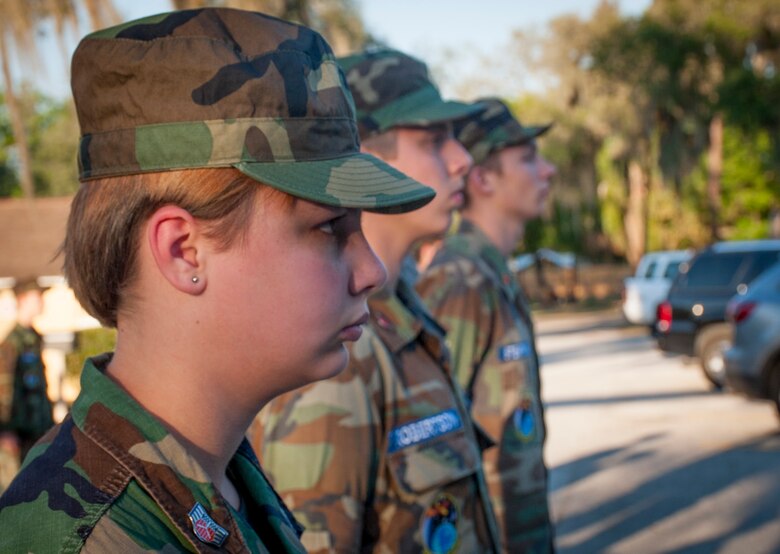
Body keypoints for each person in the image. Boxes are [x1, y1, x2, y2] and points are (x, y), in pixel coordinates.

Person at [0, 9, 435, 552]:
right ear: (185, 252)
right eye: (328, 228)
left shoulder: (220, 476)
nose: (372, 271)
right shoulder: (88, 538)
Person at [251, 49, 502, 553]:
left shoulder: (404, 310)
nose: (462, 159)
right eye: (434, 141)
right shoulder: (338, 349)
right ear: (364, 154)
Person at [417, 97, 557, 552]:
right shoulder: (460, 281)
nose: (547, 170)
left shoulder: (494, 274)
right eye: (528, 158)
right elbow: (438, 444)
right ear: (483, 179)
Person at [0, 280, 54, 484]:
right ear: (23, 300)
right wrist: (5, 429)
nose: (41, 301)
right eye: (36, 296)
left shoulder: (33, 339)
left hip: (38, 432)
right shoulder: (12, 343)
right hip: (17, 436)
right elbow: (2, 387)